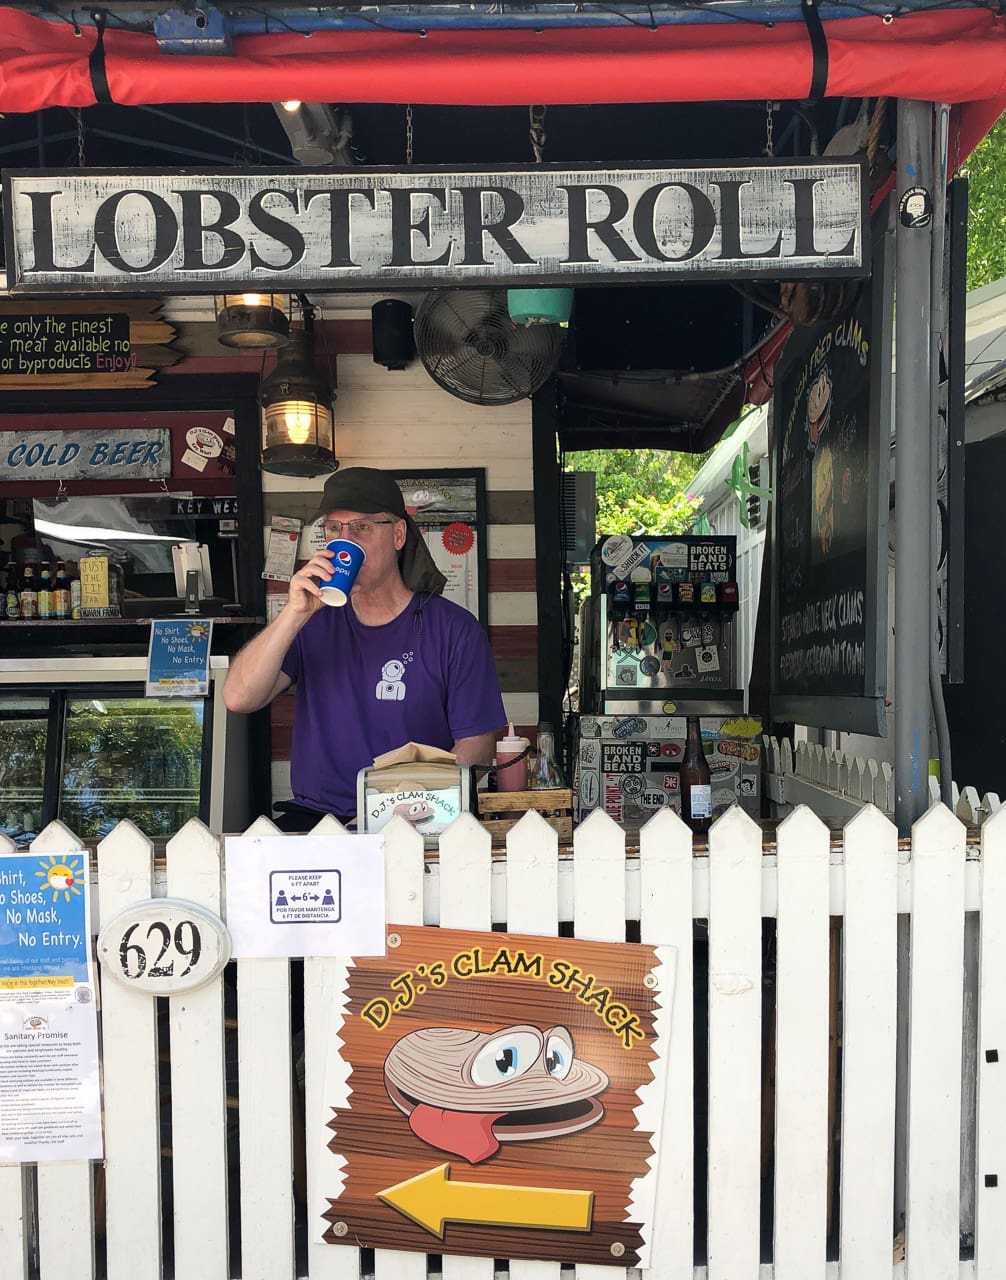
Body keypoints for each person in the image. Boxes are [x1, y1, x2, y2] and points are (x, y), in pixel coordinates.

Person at [223, 467, 506, 830]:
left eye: (363, 527)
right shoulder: (311, 621)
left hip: (415, 819)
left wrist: (391, 810)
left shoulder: (453, 629)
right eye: (334, 529)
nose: (347, 540)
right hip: (318, 820)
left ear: (398, 534)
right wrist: (293, 614)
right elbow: (238, 698)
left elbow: (478, 747)